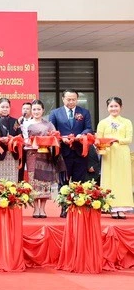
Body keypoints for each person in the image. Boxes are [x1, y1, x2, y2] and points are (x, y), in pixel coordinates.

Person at [49, 89, 93, 217]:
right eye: (69, 99)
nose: (71, 101)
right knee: (63, 182)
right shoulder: (55, 113)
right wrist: (61, 137)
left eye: (74, 99)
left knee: (79, 181)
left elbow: (89, 128)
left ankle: (78, 207)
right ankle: (64, 208)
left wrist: (82, 134)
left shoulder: (84, 112)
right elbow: (52, 131)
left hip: (80, 152)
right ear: (63, 99)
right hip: (63, 152)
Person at [24, 100, 64, 218]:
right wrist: (32, 144)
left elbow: (55, 139)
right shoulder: (27, 124)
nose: (36, 112)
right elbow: (24, 140)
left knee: (45, 182)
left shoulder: (49, 124)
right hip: (32, 155)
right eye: (34, 109)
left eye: (38, 109)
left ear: (43, 111)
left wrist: (48, 143)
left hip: (46, 156)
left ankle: (43, 208)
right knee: (34, 182)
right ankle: (36, 209)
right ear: (31, 111)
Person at [97, 97, 133, 219]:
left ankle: (122, 208)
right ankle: (110, 207)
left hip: (122, 153)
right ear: (107, 108)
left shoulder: (127, 122)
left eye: (116, 106)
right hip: (108, 153)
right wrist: (101, 145)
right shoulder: (102, 122)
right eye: (111, 106)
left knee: (123, 179)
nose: (114, 108)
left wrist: (116, 139)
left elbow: (129, 139)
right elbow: (98, 139)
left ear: (121, 107)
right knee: (109, 179)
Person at [17, 101, 33, 182]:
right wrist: (17, 123)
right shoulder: (19, 121)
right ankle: (20, 185)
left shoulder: (35, 121)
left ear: (31, 110)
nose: (25, 110)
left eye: (27, 109)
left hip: (32, 148)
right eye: (23, 109)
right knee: (20, 167)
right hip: (22, 148)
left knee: (32, 167)